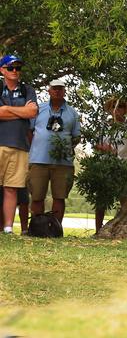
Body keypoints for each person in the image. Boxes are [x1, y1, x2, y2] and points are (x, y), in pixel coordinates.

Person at [27, 79, 81, 223]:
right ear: (49, 91)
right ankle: (38, 227)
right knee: (37, 196)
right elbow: (29, 131)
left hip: (63, 162)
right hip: (39, 160)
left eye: (60, 89)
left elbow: (76, 137)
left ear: (64, 92)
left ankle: (56, 229)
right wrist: (37, 147)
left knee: (60, 196)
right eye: (54, 88)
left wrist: (64, 148)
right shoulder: (39, 109)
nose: (57, 91)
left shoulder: (72, 113)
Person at [93, 98, 127, 233]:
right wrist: (105, 148)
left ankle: (124, 230)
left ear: (125, 110)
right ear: (110, 110)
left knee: (126, 199)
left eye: (120, 106)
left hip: (124, 165)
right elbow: (95, 143)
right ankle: (98, 231)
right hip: (105, 165)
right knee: (101, 200)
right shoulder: (104, 126)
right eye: (113, 107)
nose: (117, 110)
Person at [0, 54, 38, 234]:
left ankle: (8, 228)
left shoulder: (27, 90)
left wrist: (7, 110)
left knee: (11, 188)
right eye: (10, 68)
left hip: (20, 145)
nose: (15, 71)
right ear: (2, 70)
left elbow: (32, 112)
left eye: (18, 68)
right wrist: (21, 111)